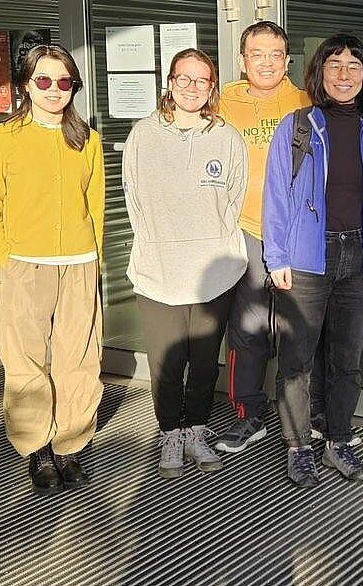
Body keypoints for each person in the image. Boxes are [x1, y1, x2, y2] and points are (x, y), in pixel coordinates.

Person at [263, 33, 363, 487]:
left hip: (361, 256)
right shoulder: (298, 126)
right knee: (298, 359)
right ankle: (298, 446)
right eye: (334, 65)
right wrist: (276, 256)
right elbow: (276, 196)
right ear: (319, 72)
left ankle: (338, 439)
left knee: (347, 358)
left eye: (353, 66)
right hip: (308, 257)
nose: (344, 75)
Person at [0, 44, 104, 496]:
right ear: (26, 85)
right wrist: (6, 254)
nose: (54, 90)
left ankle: (70, 444)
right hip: (25, 266)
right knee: (25, 361)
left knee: (80, 359)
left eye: (63, 81)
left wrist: (94, 260)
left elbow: (95, 206)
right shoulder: (3, 139)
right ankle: (37, 448)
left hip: (79, 263)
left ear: (74, 87)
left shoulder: (87, 139)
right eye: (43, 80)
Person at [122, 48, 248, 478]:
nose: (192, 87)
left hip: (213, 273)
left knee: (205, 359)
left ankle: (196, 430)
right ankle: (170, 434)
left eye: (201, 80)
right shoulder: (143, 135)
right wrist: (161, 241)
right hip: (158, 271)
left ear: (212, 87)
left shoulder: (227, 137)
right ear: (170, 83)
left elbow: (234, 198)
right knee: (166, 363)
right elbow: (134, 200)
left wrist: (208, 239)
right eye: (184, 78)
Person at [215, 21, 310, 453]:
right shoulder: (223, 102)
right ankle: (248, 415)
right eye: (257, 54)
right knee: (247, 329)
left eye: (275, 54)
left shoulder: (307, 103)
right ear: (242, 60)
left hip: (298, 235)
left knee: (300, 330)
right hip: (246, 232)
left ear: (287, 60)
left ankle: (306, 416)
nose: (267, 63)